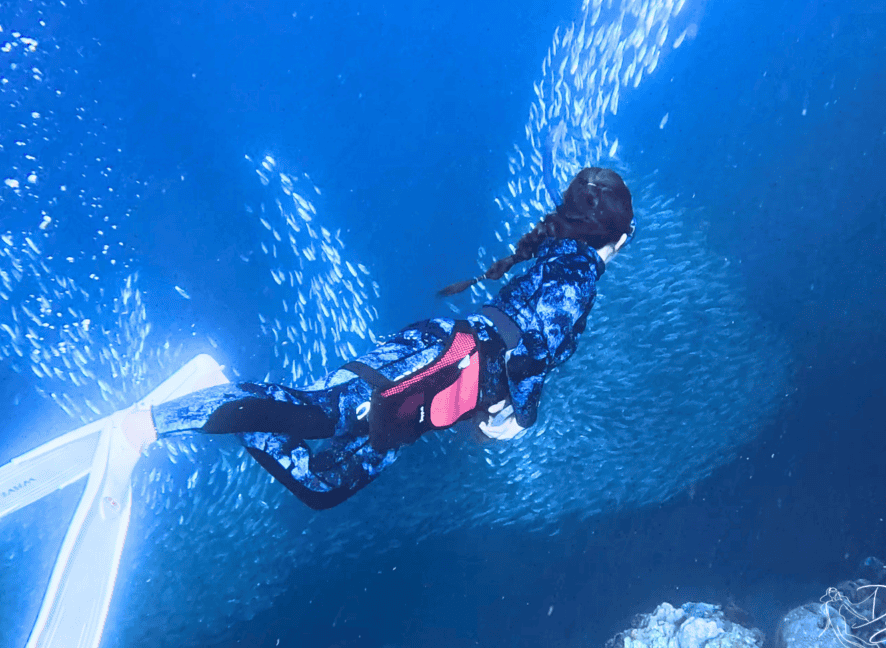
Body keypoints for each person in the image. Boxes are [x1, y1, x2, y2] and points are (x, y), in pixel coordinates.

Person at [121, 167, 635, 509]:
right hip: (437, 365)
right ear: (620, 235)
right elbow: (531, 350)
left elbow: (523, 339)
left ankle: (228, 400)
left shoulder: (568, 254)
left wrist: (490, 407)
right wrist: (523, 415)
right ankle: (152, 422)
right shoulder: (580, 272)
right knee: (317, 414)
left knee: (323, 485)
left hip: (434, 380)